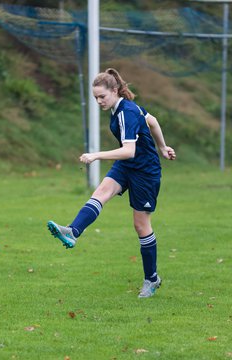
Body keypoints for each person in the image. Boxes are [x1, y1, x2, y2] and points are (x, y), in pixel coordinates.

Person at [48, 68, 176, 298]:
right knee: (101, 193)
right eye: (95, 97)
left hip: (145, 171)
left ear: (115, 91)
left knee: (141, 226)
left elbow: (128, 151)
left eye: (102, 97)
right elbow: (153, 121)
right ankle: (73, 231)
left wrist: (96, 155)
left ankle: (152, 279)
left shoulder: (126, 112)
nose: (98, 101)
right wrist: (162, 146)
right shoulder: (121, 108)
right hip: (128, 166)